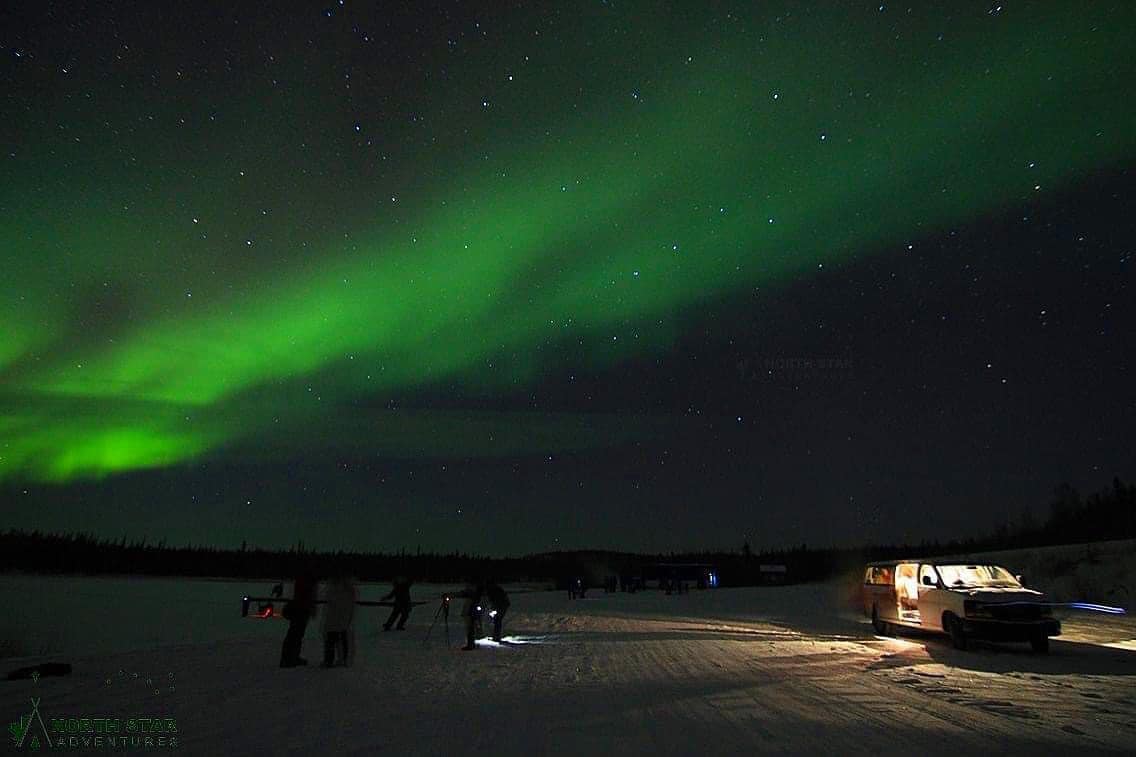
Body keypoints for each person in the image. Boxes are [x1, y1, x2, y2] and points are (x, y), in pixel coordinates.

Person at [280, 572, 318, 668]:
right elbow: (307, 595)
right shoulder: (307, 581)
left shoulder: (301, 580)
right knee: (296, 634)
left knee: (295, 634)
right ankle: (290, 658)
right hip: (301, 609)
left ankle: (290, 657)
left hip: (299, 608)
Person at [321, 573, 357, 667]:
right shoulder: (350, 589)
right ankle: (343, 659)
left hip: (335, 618)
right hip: (342, 618)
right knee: (341, 637)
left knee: (332, 638)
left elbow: (330, 599)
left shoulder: (335, 588)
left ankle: (329, 660)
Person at [455, 579, 483, 651]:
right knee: (470, 629)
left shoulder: (473, 594)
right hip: (470, 613)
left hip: (470, 613)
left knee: (470, 629)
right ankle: (471, 644)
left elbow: (463, 594)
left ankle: (470, 645)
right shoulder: (474, 593)